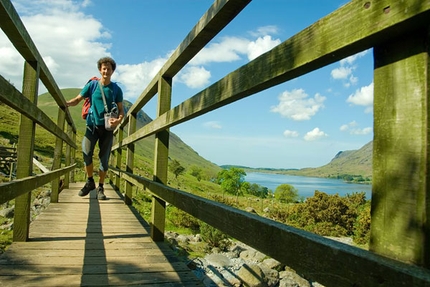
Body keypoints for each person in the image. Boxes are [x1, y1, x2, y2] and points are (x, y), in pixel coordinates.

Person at [66, 57, 124, 200]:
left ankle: (101, 187)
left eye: (109, 69)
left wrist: (118, 120)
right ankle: (90, 181)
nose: (106, 71)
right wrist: (66, 103)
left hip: (107, 128)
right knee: (86, 152)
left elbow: (122, 110)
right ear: (100, 70)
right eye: (104, 68)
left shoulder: (116, 89)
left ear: (112, 71)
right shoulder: (92, 85)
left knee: (104, 159)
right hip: (92, 126)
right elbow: (78, 99)